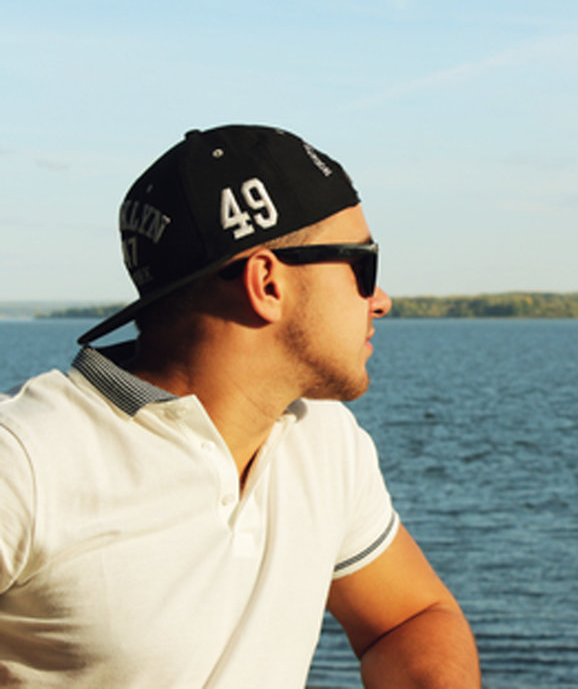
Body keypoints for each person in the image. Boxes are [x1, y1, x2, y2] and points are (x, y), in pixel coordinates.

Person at [0, 125, 480, 688]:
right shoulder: (26, 462)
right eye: (362, 266)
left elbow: (407, 620)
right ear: (267, 283)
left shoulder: (325, 440)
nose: (381, 300)